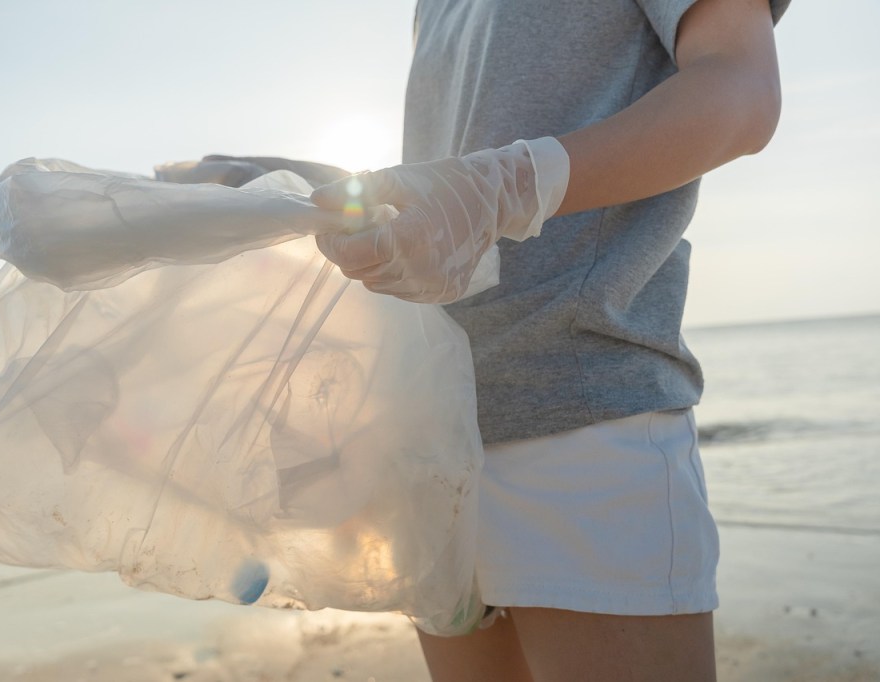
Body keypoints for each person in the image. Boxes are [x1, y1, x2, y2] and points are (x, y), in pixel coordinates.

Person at [308, 0, 790, 679]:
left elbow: (742, 88)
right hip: (436, 433)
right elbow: (452, 179)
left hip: (585, 422)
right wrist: (286, 186)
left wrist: (511, 186)